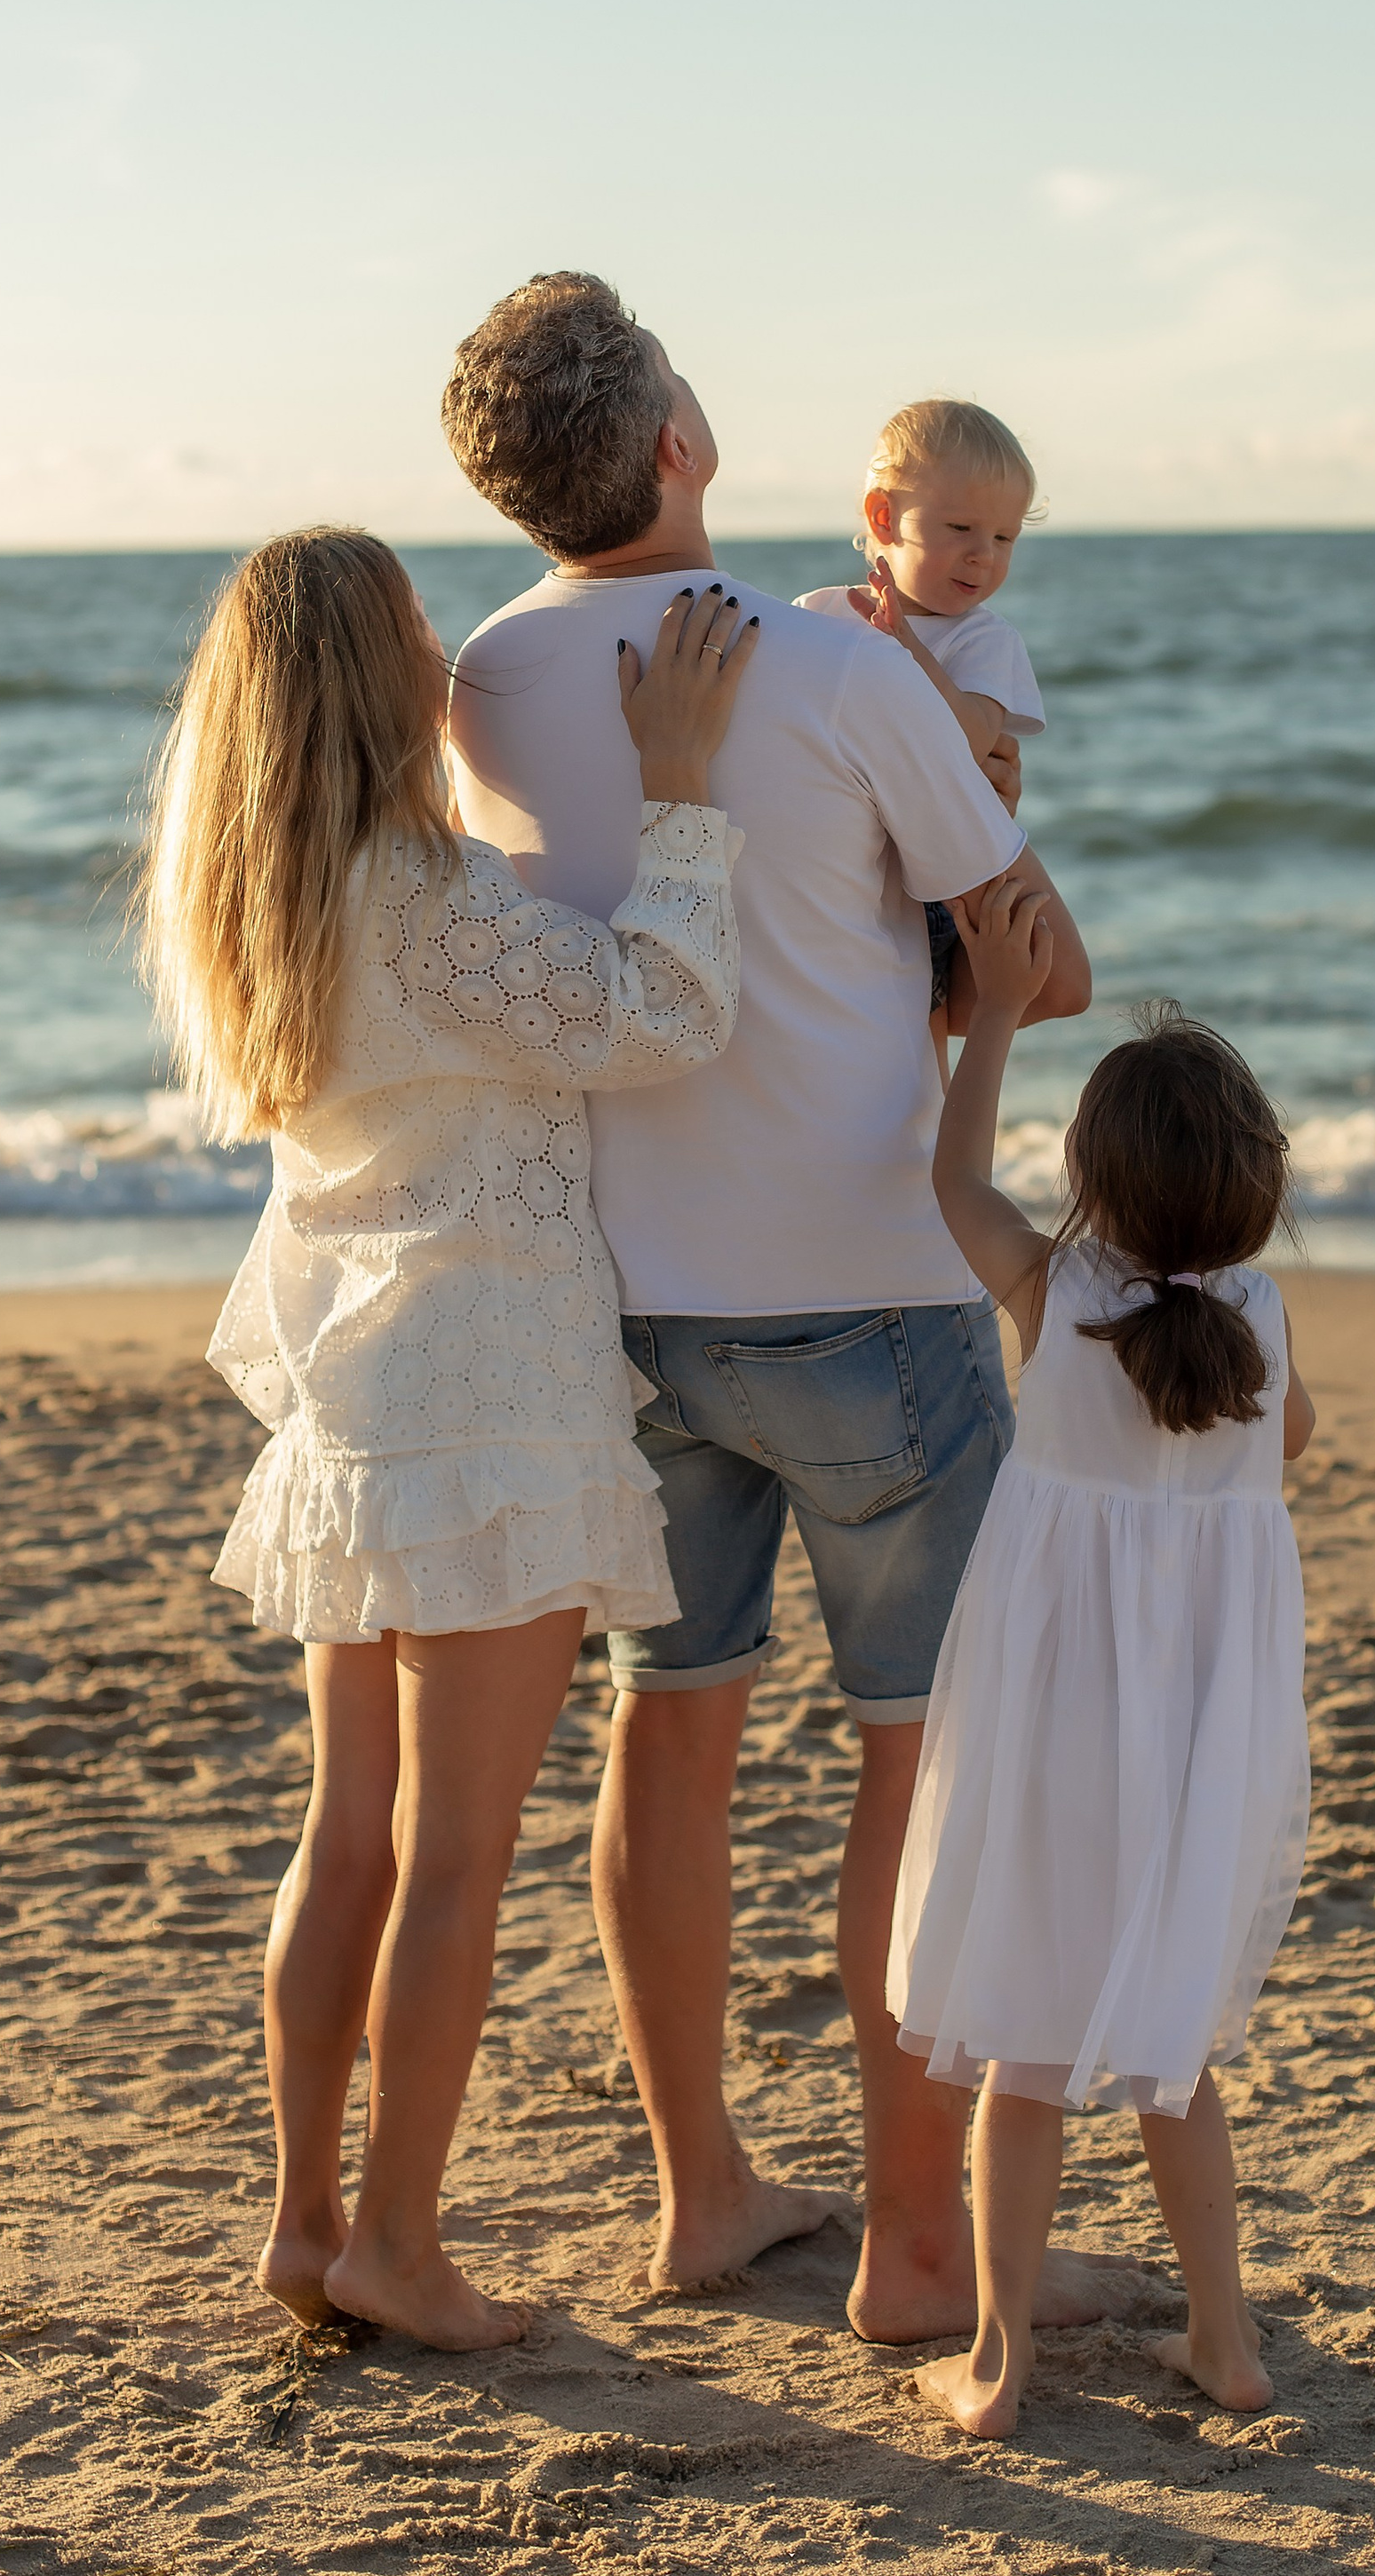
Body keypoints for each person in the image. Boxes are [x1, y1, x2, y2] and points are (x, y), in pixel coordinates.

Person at [441, 272, 1098, 2340]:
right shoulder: (833, 667)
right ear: (678, 443)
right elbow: (1038, 963)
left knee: (672, 1725)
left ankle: (701, 2192)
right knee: (917, 1755)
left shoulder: (479, 677)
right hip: (864, 1294)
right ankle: (914, 2246)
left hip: (621, 1308)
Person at [138, 527, 756, 2350]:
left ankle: (308, 2221)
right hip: (483, 1402)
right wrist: (680, 795)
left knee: (350, 1836)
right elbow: (660, 1011)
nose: (446, 653)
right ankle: (398, 2247)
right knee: (455, 1855)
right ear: (365, 677)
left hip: (356, 1407)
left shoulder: (267, 903)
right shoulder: (424, 897)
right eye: (416, 627)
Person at [890, 904, 1313, 2438]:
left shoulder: (1058, 1301)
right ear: (1253, 1192)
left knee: (1025, 2051)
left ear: (1093, 1183)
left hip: (1057, 1728)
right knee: (1172, 2062)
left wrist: (995, 1011)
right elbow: (1292, 1443)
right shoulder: (1259, 1322)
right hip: (1199, 1742)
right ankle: (1227, 2342)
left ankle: (998, 2364)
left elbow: (952, 1181)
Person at [795, 399, 1046, 1058]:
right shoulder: (818, 613)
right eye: (961, 528)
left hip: (929, 879)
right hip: (832, 863)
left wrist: (904, 645)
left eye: (1004, 538)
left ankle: (929, 1117)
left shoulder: (984, 640)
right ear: (885, 517)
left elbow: (968, 742)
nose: (983, 556)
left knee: (917, 1022)